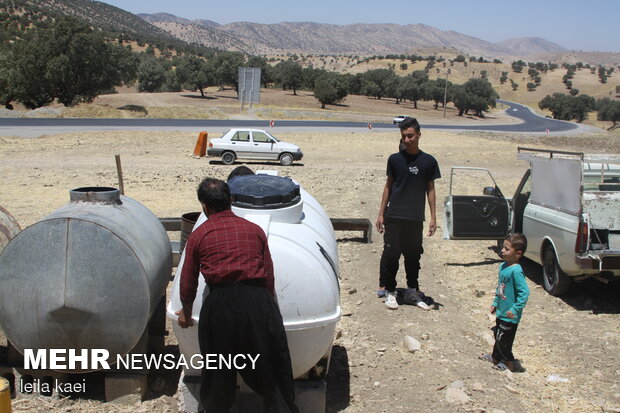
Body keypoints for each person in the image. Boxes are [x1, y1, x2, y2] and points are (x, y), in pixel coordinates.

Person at [177, 177, 298, 413]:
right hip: (256, 300)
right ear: (230, 200)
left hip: (220, 304)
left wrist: (186, 311)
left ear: (204, 206)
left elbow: (188, 280)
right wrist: (269, 311)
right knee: (270, 364)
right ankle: (280, 407)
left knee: (218, 369)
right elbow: (268, 275)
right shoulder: (254, 230)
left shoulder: (199, 235)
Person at [376, 117, 440, 310]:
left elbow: (431, 190)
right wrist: (381, 214)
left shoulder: (429, 161)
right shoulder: (394, 160)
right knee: (392, 255)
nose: (407, 139)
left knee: (413, 257)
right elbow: (388, 187)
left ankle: (412, 292)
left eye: (410, 136)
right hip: (394, 216)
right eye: (404, 136)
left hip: (414, 218)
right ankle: (390, 292)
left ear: (419, 135)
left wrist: (433, 217)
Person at [482, 233, 530, 372]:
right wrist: (495, 303)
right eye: (503, 247)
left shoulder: (516, 271)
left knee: (504, 340)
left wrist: (515, 309)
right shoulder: (503, 267)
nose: (502, 251)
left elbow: (524, 293)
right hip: (502, 311)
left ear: (518, 253)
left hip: (510, 314)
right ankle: (496, 357)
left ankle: (509, 364)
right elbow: (500, 288)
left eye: (507, 249)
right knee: (498, 335)